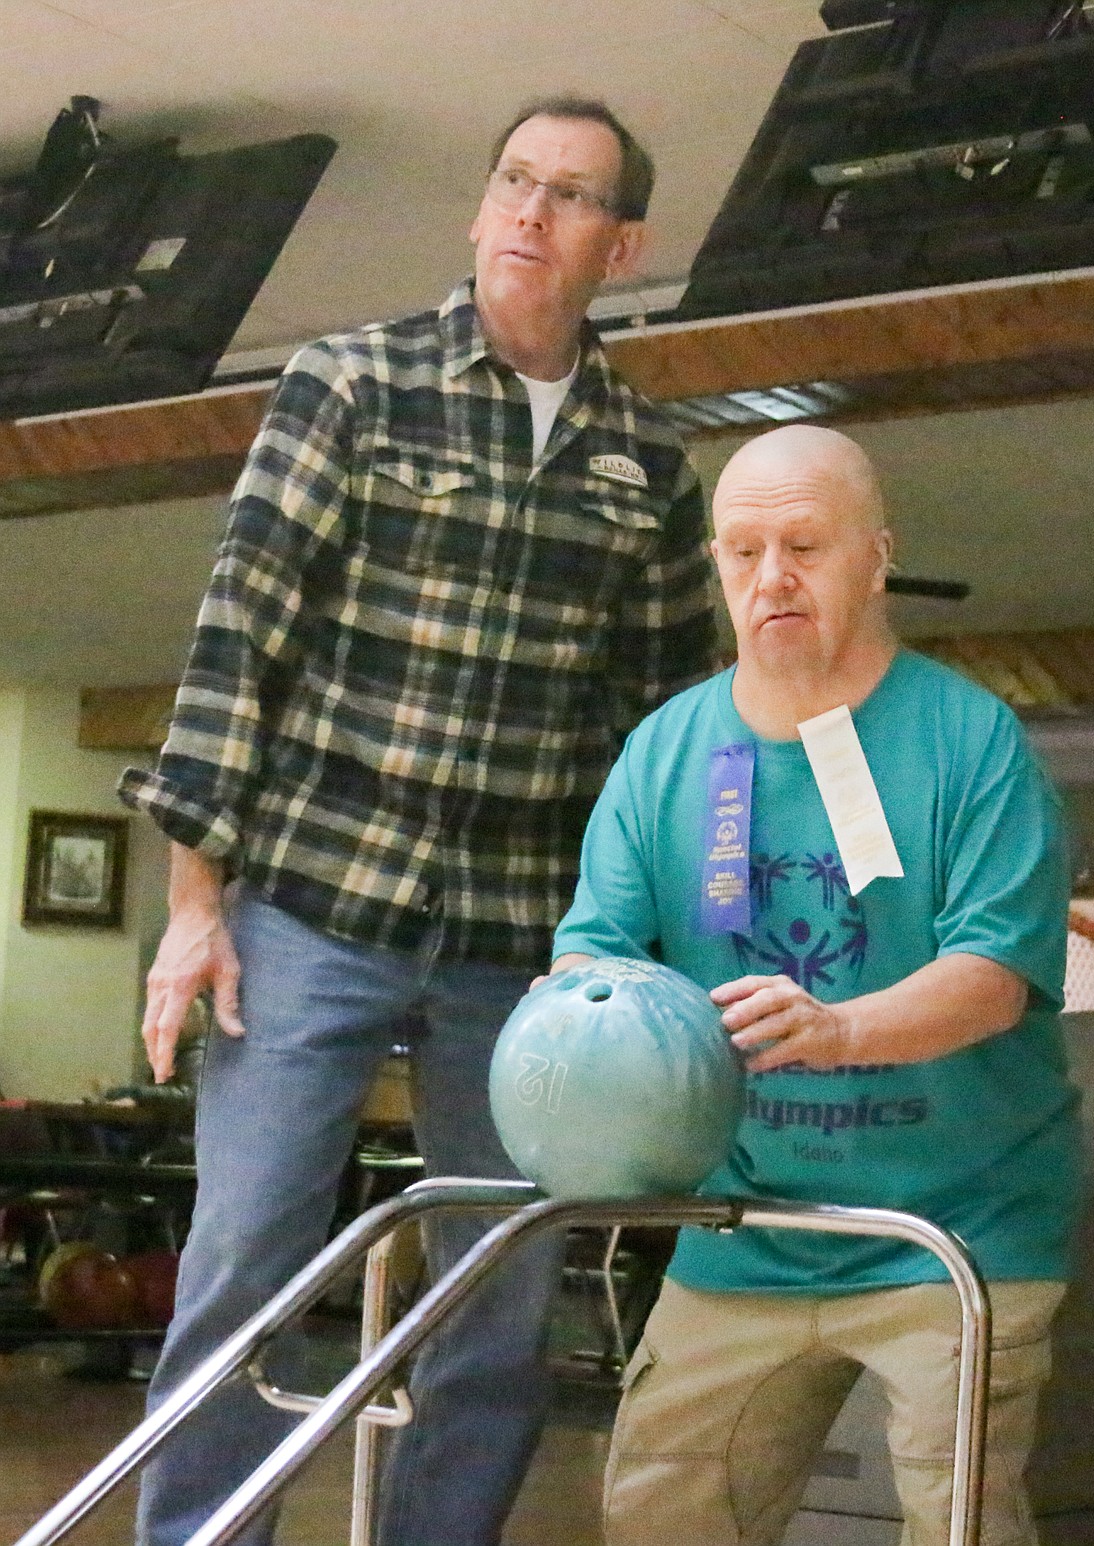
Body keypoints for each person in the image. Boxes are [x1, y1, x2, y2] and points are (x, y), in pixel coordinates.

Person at [117, 96, 717, 1546]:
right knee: (245, 1260)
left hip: (520, 953)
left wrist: (643, 963)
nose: (528, 212)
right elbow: (236, 640)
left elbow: (660, 735)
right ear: (479, 205)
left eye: (569, 196)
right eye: (512, 179)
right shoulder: (350, 382)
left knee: (499, 1294)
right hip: (310, 905)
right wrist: (194, 908)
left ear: (618, 242)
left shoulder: (650, 463)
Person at [550, 424, 1083, 1546]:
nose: (772, 577)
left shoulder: (972, 742)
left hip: (958, 1222)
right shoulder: (664, 755)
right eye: (742, 552)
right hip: (746, 1222)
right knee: (660, 1514)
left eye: (805, 544)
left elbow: (993, 979)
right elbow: (589, 958)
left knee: (960, 1520)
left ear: (875, 556)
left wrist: (839, 1027)